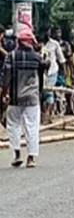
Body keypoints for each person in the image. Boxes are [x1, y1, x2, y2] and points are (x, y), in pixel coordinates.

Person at [0, 29, 44, 168]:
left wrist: (4, 94)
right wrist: (39, 93)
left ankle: (17, 154)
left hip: (15, 97)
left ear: (18, 41)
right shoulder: (37, 58)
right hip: (32, 97)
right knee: (32, 126)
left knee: (13, 125)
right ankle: (31, 158)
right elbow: (41, 78)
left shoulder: (11, 56)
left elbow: (5, 79)